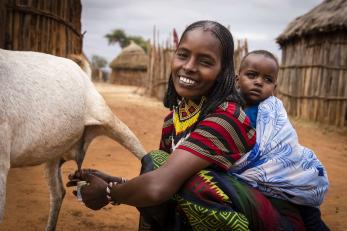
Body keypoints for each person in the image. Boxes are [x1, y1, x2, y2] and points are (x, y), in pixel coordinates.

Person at [67, 21, 307, 231]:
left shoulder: (227, 118)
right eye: (183, 55)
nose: (189, 66)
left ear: (223, 72)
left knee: (195, 185)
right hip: (215, 203)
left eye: (205, 61)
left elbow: (160, 186)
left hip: (266, 219)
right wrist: (113, 181)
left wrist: (108, 193)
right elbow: (162, 174)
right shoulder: (175, 118)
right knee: (155, 161)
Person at [232, 50, 330, 230]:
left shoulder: (272, 111)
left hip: (288, 173)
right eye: (252, 75)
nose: (259, 82)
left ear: (274, 88)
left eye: (267, 79)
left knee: (310, 217)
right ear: (237, 79)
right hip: (261, 178)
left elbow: (285, 142)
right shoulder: (231, 110)